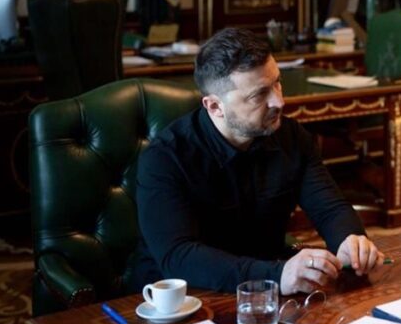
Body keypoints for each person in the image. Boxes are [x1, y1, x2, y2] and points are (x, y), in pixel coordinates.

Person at [133, 28, 385, 295]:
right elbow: (179, 256)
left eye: (277, 83)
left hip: (266, 288)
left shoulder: (291, 136)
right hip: (179, 298)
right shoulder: (165, 157)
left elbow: (329, 209)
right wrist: (276, 275)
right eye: (259, 95)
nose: (279, 101)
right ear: (215, 107)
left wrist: (348, 239)